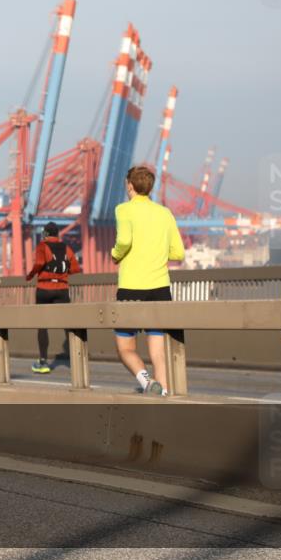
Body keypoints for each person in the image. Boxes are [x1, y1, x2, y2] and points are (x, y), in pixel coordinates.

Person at [111, 166, 186, 396]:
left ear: (130, 185)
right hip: (160, 289)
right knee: (159, 352)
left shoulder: (123, 209)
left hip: (131, 288)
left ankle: (146, 381)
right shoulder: (165, 213)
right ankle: (162, 393)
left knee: (125, 348)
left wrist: (115, 254)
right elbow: (179, 253)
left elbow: (124, 240)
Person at [25, 222, 81, 373]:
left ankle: (43, 362)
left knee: (42, 325)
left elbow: (39, 263)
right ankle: (76, 359)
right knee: (67, 324)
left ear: (45, 234)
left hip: (44, 288)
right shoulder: (67, 248)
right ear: (57, 234)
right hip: (62, 289)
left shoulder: (42, 246)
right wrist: (61, 275)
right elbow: (75, 269)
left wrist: (30, 275)